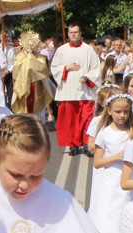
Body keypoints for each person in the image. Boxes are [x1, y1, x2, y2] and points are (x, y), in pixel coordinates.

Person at [79, 92, 133, 233]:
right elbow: (97, 162)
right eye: (118, 112)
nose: (122, 115)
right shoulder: (104, 133)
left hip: (127, 179)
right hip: (110, 181)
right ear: (110, 111)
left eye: (126, 112)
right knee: (107, 220)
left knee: (123, 220)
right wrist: (116, 157)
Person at [50, 24, 101, 156]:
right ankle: (73, 145)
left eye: (76, 32)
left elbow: (96, 69)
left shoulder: (88, 50)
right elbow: (54, 68)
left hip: (85, 92)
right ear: (68, 34)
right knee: (70, 121)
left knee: (86, 119)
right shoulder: (61, 50)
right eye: (71, 32)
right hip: (67, 91)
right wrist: (67, 68)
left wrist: (87, 77)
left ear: (80, 33)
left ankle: (86, 144)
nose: (73, 34)